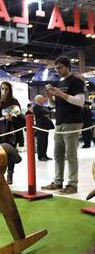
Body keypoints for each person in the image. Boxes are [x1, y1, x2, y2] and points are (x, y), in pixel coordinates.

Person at [42, 56, 85, 194]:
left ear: (67, 66)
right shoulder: (59, 83)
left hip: (72, 121)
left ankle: (72, 184)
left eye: (60, 67)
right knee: (58, 154)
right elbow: (54, 105)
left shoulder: (76, 81)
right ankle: (58, 181)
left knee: (71, 154)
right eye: (56, 68)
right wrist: (50, 97)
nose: (58, 70)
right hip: (59, 122)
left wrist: (61, 94)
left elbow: (80, 101)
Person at [0, 82, 23, 185]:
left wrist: (12, 117)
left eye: (6, 89)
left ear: (10, 90)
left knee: (10, 154)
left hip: (11, 131)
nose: (4, 91)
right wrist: (0, 101)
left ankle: (10, 175)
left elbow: (18, 113)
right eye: (2, 89)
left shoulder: (14, 101)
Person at [33, 95, 54, 161]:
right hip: (41, 127)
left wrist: (47, 112)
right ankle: (41, 156)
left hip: (45, 127)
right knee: (41, 142)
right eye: (42, 99)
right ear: (38, 100)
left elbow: (49, 111)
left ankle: (45, 155)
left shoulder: (43, 107)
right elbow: (45, 112)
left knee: (45, 142)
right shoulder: (36, 107)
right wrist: (47, 112)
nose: (43, 100)